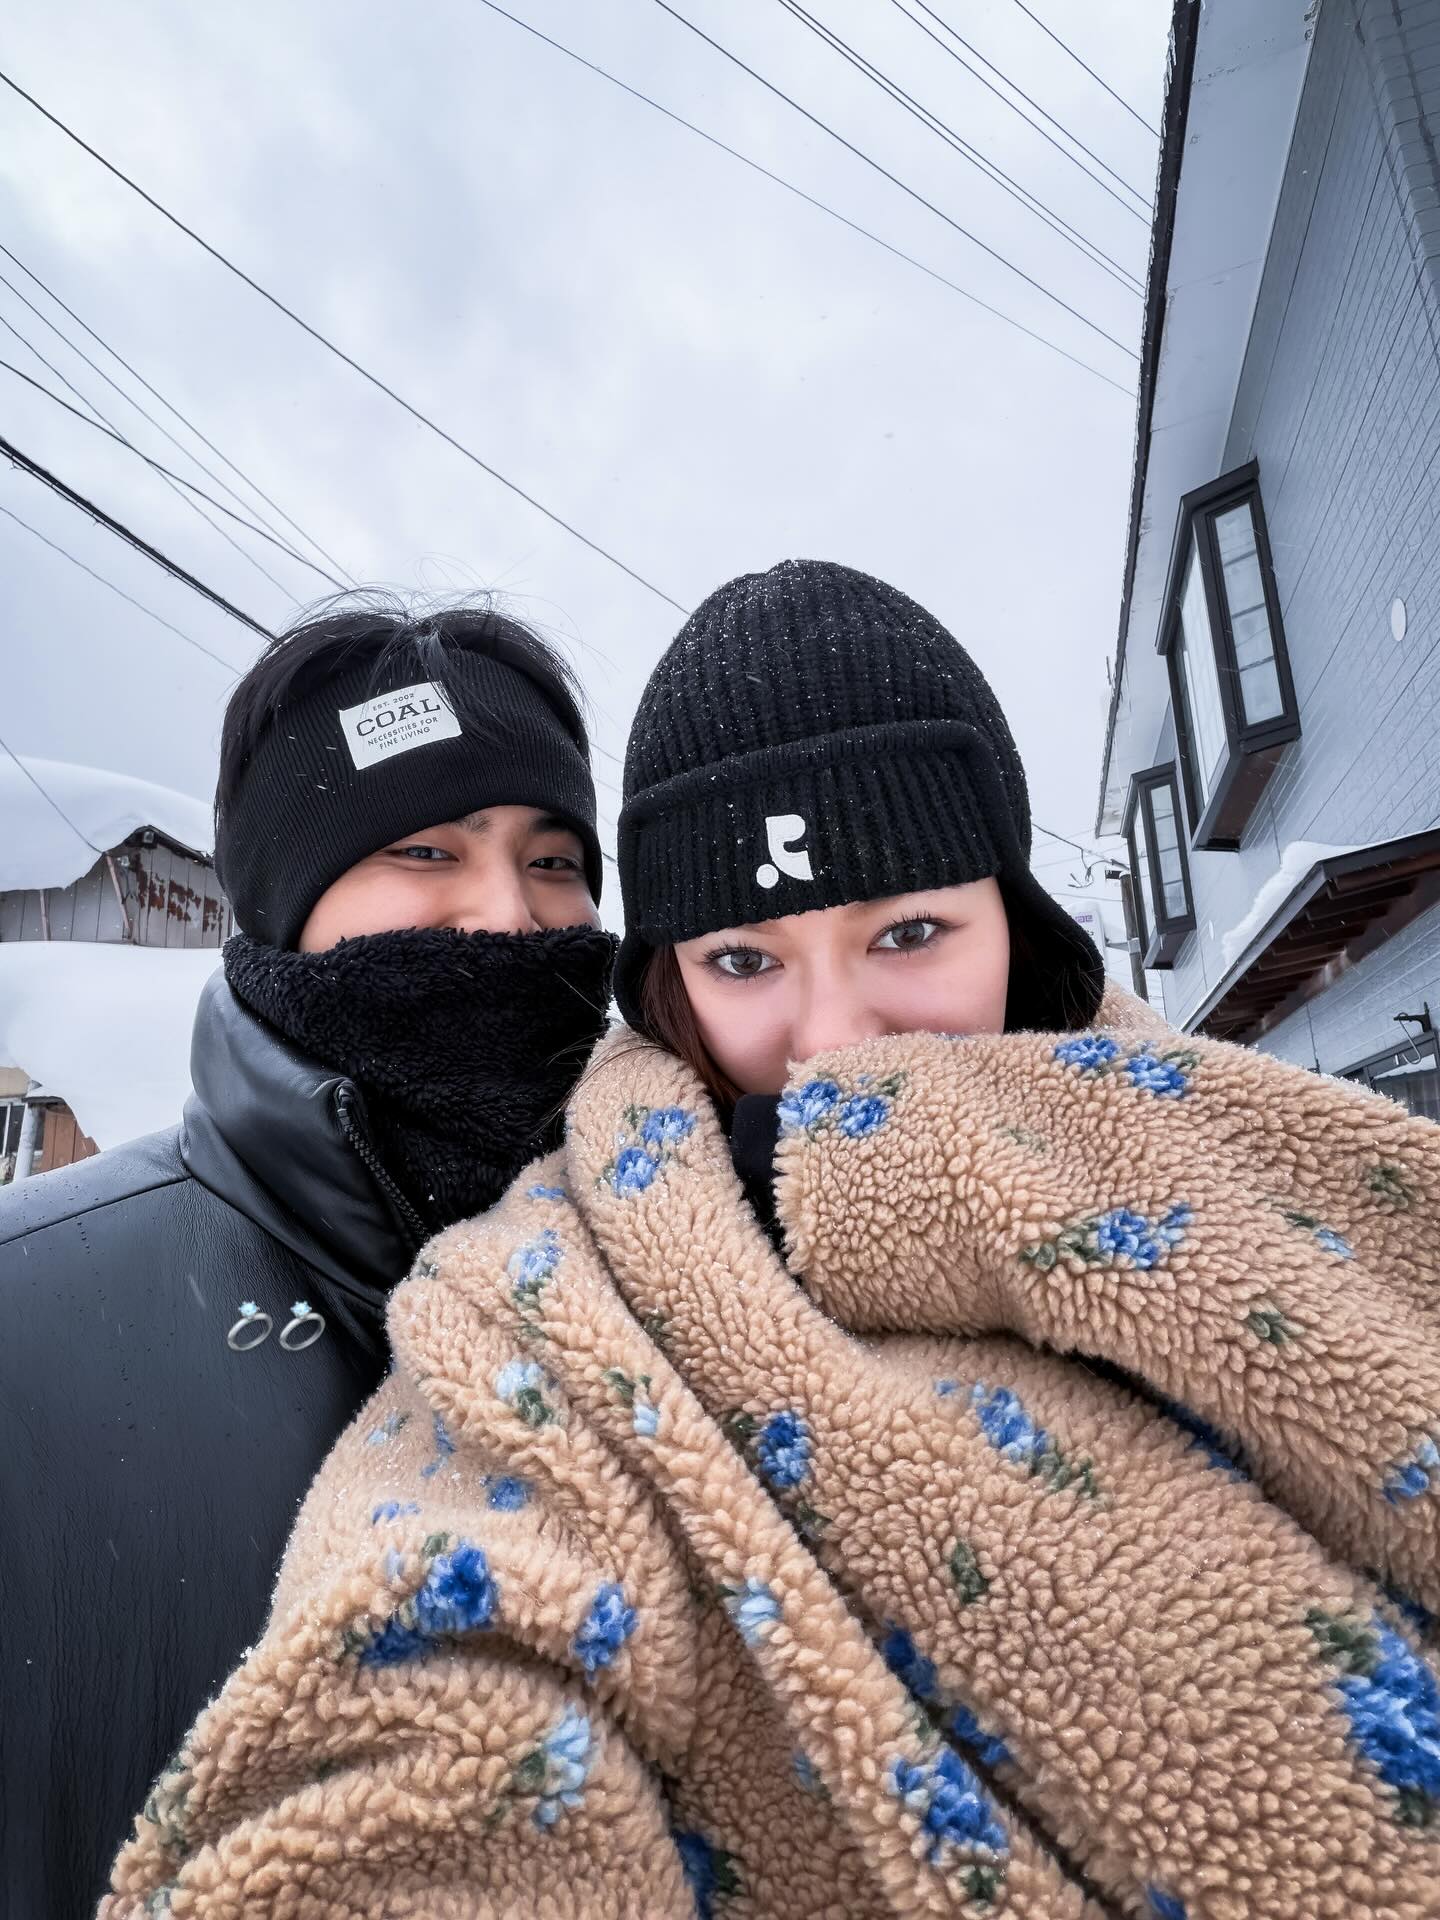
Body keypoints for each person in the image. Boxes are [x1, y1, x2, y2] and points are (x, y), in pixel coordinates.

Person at [104, 564, 1440, 1920]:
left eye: (911, 932)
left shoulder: (1247, 1149)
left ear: (1016, 925)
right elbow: (439, 1674)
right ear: (673, 979)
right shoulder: (543, 1308)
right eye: (745, 959)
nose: (833, 1040)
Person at [0, 597, 617, 1919]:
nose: (511, 917)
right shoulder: (26, 1318)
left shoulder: (686, 1286)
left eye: (557, 858)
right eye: (425, 847)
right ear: (284, 903)